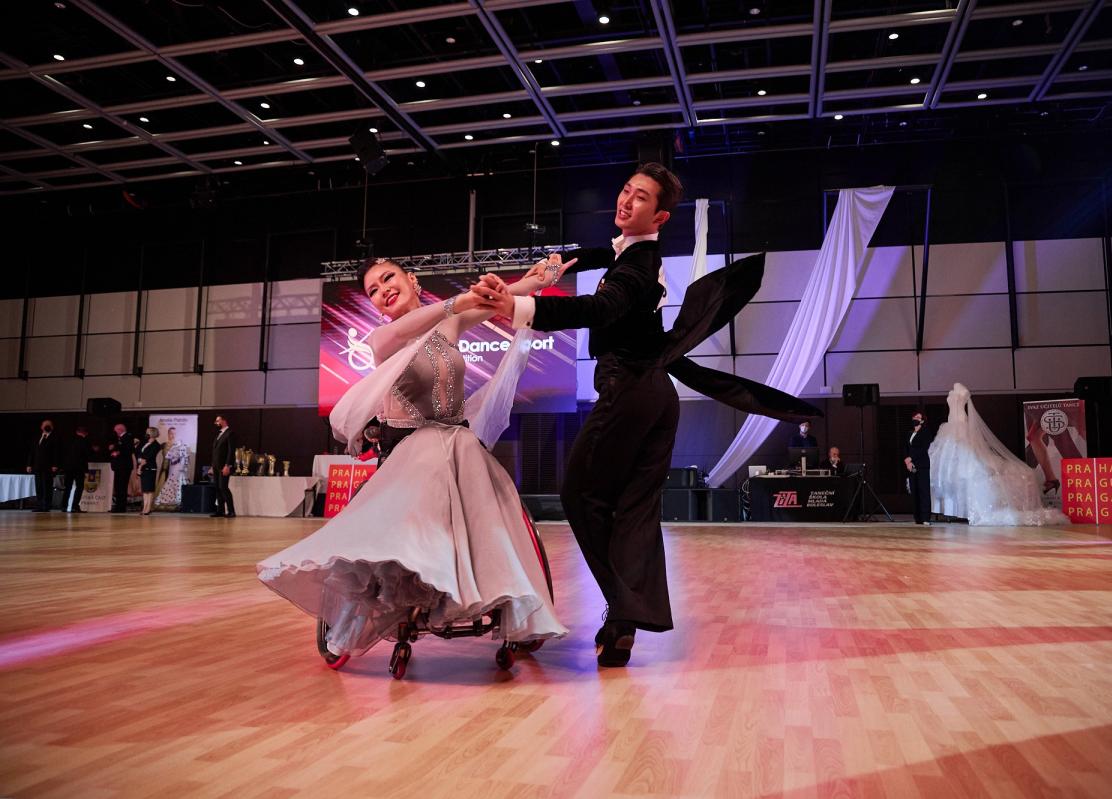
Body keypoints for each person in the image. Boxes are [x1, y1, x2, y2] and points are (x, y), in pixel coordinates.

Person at [472, 163, 816, 667]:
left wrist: (518, 308)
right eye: (626, 191)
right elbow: (595, 254)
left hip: (628, 389)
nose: (626, 201)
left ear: (660, 214)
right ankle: (623, 622)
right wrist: (547, 271)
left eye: (640, 198)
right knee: (633, 509)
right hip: (658, 397)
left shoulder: (634, 267)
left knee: (579, 495)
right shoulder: (630, 253)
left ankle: (626, 610)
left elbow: (599, 309)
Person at [257, 257, 567, 669]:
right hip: (411, 453)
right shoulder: (382, 338)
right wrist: (460, 299)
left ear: (412, 278)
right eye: (373, 290)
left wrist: (536, 280)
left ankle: (501, 598)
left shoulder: (450, 326)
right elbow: (412, 326)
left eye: (389, 278)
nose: (383, 289)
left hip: (460, 446)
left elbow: (500, 301)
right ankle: (356, 619)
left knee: (496, 514)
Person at [929, 383, 1068, 526]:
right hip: (952, 426)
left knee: (967, 459)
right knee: (953, 460)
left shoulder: (962, 392)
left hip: (960, 423)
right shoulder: (955, 392)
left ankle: (1051, 478)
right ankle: (1051, 478)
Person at [904, 410, 935, 525]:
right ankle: (917, 518)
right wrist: (907, 460)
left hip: (922, 465)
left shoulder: (926, 432)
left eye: (918, 417)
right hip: (911, 466)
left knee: (923, 490)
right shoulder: (909, 433)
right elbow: (906, 447)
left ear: (922, 420)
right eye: (914, 416)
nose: (915, 419)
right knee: (914, 490)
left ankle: (925, 517)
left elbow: (924, 449)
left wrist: (911, 458)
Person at [26, 419, 59, 513]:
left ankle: (46, 505)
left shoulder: (55, 438)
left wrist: (55, 464)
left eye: (48, 425)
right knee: (39, 486)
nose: (46, 427)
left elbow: (56, 453)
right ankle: (39, 505)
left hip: (48, 467)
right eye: (45, 425)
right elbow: (32, 452)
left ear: (52, 427)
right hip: (37, 466)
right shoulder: (37, 437)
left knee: (47, 486)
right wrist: (29, 464)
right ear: (41, 427)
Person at [154, 427, 190, 511]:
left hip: (177, 469)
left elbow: (185, 458)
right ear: (168, 434)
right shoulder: (164, 445)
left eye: (174, 433)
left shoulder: (182, 445)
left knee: (177, 484)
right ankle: (167, 502)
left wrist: (183, 467)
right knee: (166, 484)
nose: (172, 435)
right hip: (166, 468)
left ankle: (178, 503)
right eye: (171, 433)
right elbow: (164, 457)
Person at [211, 415, 236, 518]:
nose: (216, 422)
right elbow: (215, 452)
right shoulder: (219, 434)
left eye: (218, 420)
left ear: (224, 421)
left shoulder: (230, 433)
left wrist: (227, 465)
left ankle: (231, 511)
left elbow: (231, 451)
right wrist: (212, 466)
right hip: (216, 465)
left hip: (224, 466)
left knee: (223, 487)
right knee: (217, 488)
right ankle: (220, 510)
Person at [62, 425, 91, 513]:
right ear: (85, 433)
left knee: (67, 487)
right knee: (79, 487)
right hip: (79, 468)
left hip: (68, 467)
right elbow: (86, 456)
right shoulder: (84, 441)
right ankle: (75, 506)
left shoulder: (68, 440)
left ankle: (64, 506)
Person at [109, 423, 134, 513]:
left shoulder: (128, 437)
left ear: (120, 430)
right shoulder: (119, 438)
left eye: (115, 430)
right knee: (118, 487)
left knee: (122, 487)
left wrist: (118, 452)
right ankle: (118, 506)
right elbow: (120, 447)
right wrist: (113, 448)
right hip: (118, 466)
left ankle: (121, 507)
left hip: (124, 466)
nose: (114, 432)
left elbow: (128, 450)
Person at [137, 427, 163, 516]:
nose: (146, 433)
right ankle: (144, 507)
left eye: (147, 432)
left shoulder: (156, 445)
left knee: (149, 489)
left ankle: (148, 508)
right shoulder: (145, 443)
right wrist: (140, 462)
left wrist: (141, 465)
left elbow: (149, 457)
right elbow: (140, 454)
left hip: (150, 468)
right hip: (143, 467)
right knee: (145, 490)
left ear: (152, 433)